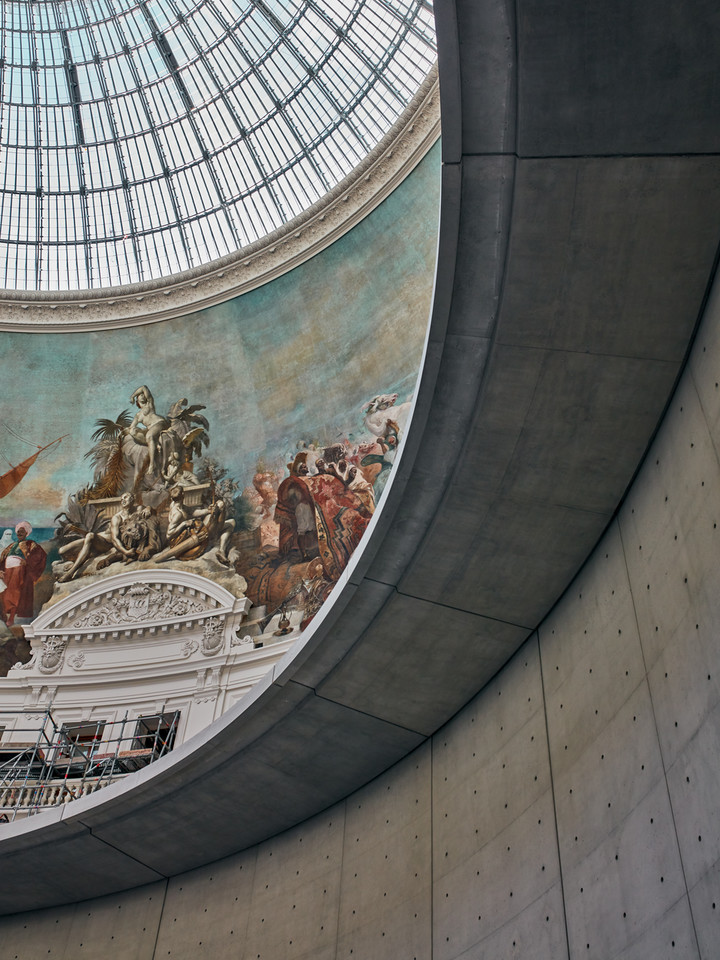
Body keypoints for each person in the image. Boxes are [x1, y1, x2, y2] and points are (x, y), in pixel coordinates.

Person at [0, 522, 47, 626]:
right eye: (18, 531)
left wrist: (28, 562)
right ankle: (3, 616)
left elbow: (40, 556)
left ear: (26, 533)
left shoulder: (31, 544)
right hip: (6, 571)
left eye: (22, 531)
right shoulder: (12, 545)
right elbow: (2, 559)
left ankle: (11, 618)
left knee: (14, 592)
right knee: (3, 593)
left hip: (18, 571)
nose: (19, 533)